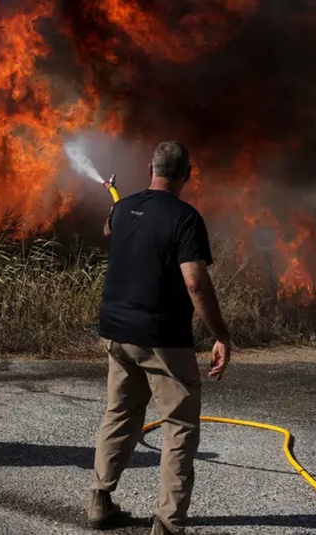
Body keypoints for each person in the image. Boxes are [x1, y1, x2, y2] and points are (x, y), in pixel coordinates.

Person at [87, 141, 231, 534]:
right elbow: (195, 282)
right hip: (162, 339)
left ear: (151, 167)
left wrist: (121, 206)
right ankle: (167, 525)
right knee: (179, 427)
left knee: (119, 414)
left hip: (117, 334)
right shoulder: (185, 218)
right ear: (187, 173)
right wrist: (221, 334)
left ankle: (100, 499)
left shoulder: (122, 208)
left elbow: (108, 230)